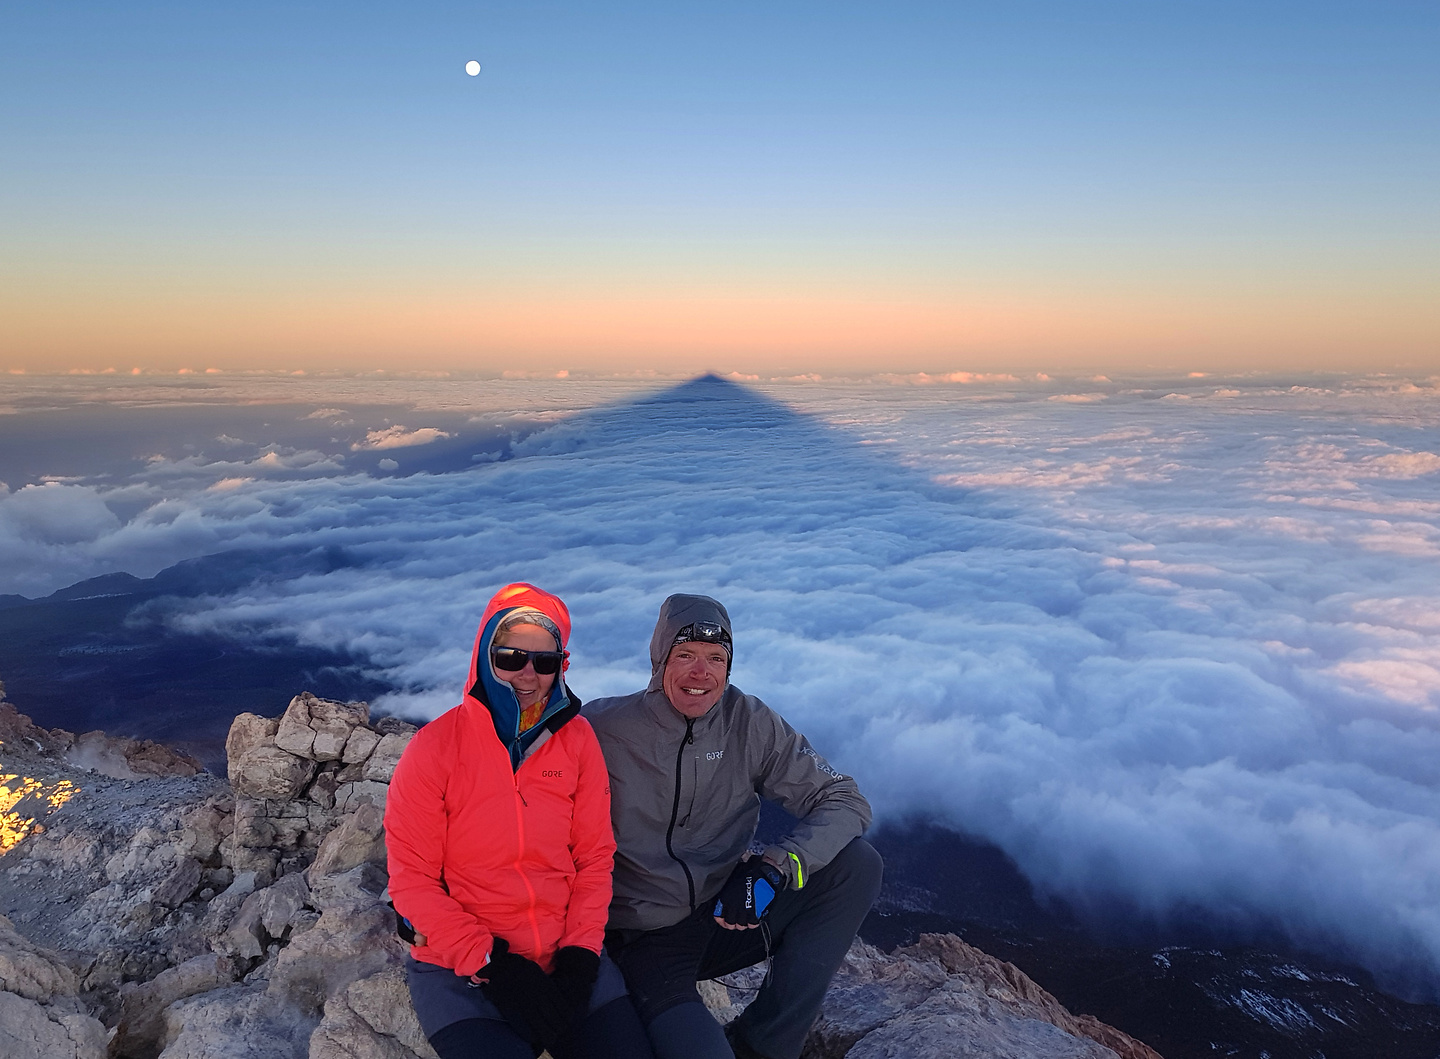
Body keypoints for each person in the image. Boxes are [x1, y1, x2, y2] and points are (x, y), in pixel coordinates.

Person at [586, 593, 882, 1059]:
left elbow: (844, 799)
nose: (700, 673)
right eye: (684, 656)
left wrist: (774, 869)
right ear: (660, 659)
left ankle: (763, 1046)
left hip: (727, 913)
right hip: (644, 940)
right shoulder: (601, 729)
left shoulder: (749, 723)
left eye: (716, 658)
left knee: (856, 865)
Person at [384, 583, 654, 1059]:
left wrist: (580, 957)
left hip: (565, 954)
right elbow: (413, 884)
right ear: (485, 654)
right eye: (511, 657)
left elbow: (594, 857)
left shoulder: (577, 740)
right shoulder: (434, 748)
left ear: (561, 666)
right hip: (460, 968)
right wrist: (495, 965)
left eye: (545, 662)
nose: (528, 675)